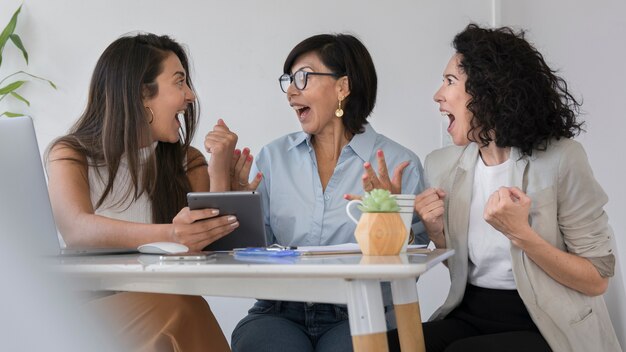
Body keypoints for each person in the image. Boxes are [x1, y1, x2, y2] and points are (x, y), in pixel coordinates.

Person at [46, 33, 260, 352]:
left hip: (167, 301)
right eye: (179, 82)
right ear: (143, 93)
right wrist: (172, 234)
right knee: (182, 310)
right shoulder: (71, 154)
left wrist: (220, 175)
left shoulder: (187, 162)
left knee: (180, 310)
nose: (191, 95)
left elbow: (209, 248)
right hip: (87, 312)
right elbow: (77, 229)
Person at [415, 24, 621, 352]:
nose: (438, 95)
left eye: (450, 81)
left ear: (488, 91)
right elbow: (465, 267)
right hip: (470, 313)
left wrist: (521, 234)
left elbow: (596, 278)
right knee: (390, 345)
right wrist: (438, 235)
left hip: (548, 324)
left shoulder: (561, 159)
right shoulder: (443, 166)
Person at [230, 33, 426, 352]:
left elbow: (411, 267)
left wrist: (390, 222)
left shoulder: (398, 164)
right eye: (288, 80)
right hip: (279, 312)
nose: (291, 92)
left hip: (361, 312)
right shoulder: (271, 158)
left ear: (342, 87)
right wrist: (238, 208)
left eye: (303, 77)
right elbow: (254, 253)